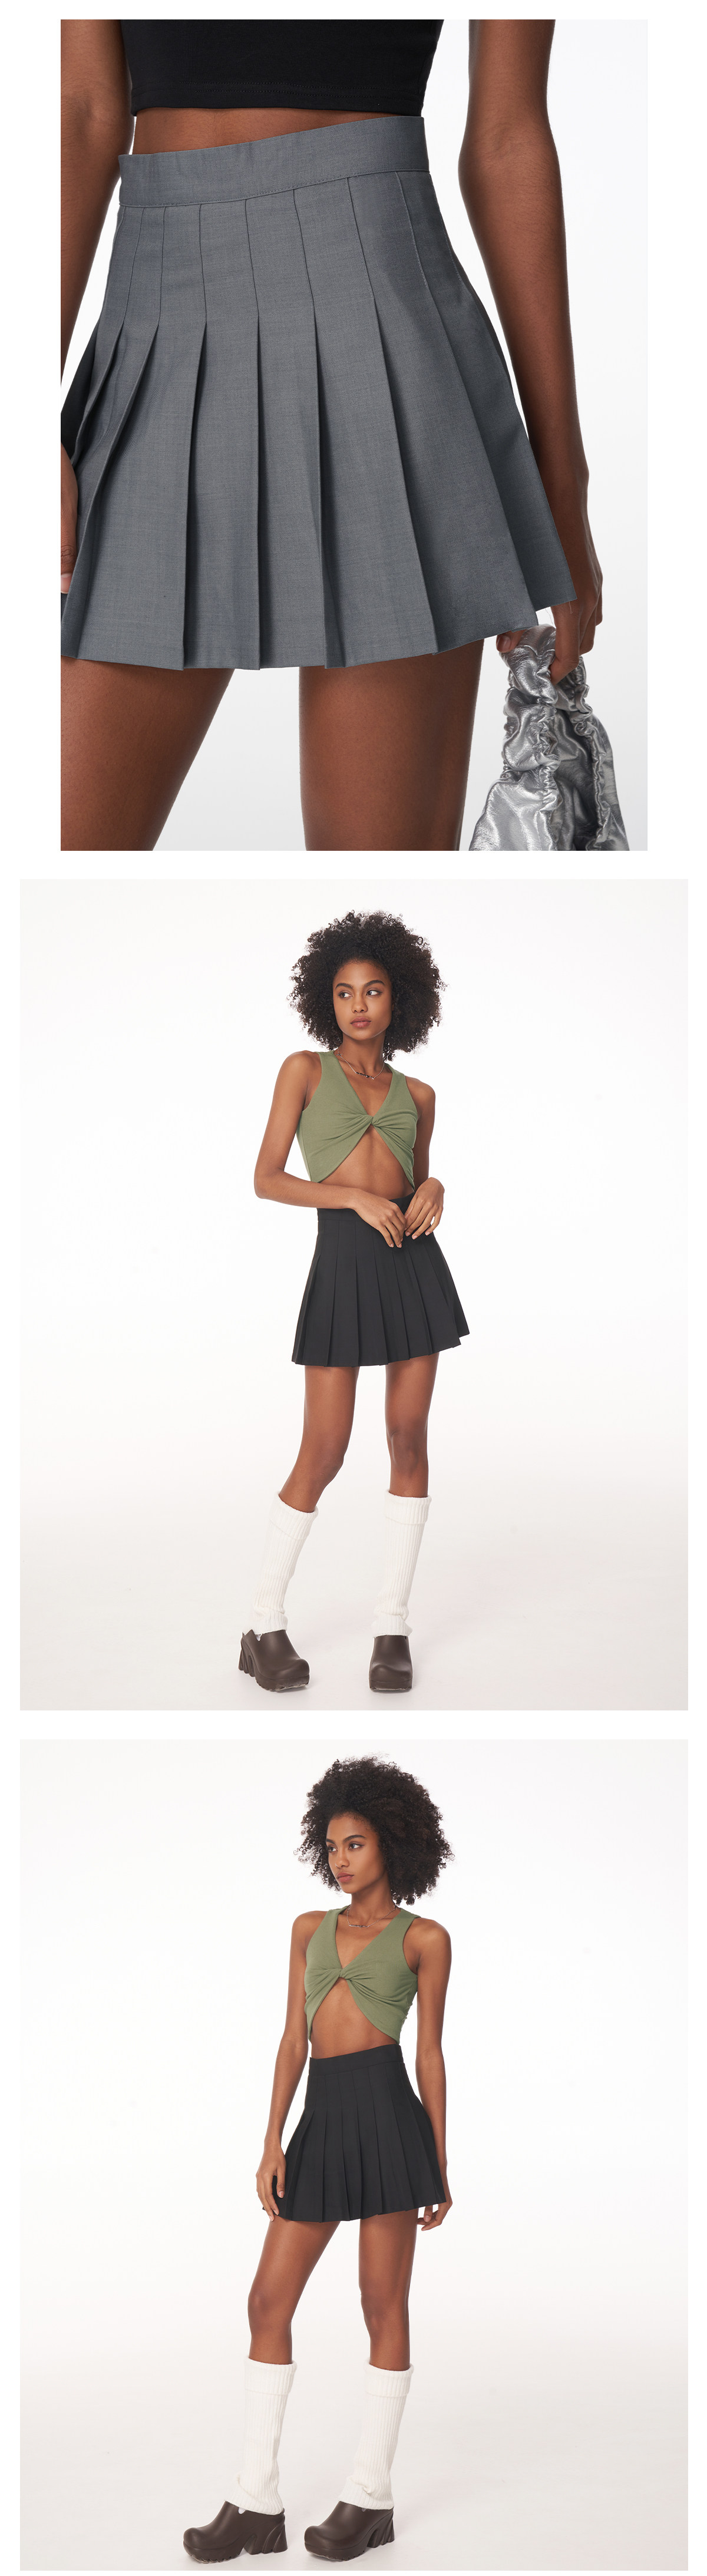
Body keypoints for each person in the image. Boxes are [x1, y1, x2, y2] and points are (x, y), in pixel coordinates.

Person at [61, 19, 602, 851]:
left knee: (380, 870)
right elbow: (85, 109)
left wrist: (562, 484)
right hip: (156, 316)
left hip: (380, 323)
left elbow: (507, 135)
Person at [184, 1755, 452, 2565]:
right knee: (268, 2300)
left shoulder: (426, 1939)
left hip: (389, 2117)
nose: (340, 1859)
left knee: (382, 2302)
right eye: (332, 1845)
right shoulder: (309, 1929)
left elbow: (430, 2055)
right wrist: (272, 2139)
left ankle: (370, 2497)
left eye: (356, 1844)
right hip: (322, 2119)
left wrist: (439, 2163)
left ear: (393, 1844)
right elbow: (292, 2041)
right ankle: (254, 2502)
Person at [239, 910, 467, 1696]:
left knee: (408, 1438)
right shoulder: (304, 1071)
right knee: (325, 1449)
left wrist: (435, 1187)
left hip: (413, 1270)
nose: (358, 1005)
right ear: (325, 999)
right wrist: (351, 1199)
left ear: (398, 999)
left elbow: (415, 1177)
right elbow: (267, 1178)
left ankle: (392, 1628)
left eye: (372, 991)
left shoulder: (420, 1093)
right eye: (344, 992)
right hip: (342, 1267)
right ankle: (262, 1622)